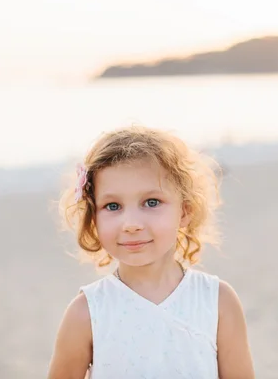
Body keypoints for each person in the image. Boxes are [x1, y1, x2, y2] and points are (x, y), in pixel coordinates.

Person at [48, 125, 254, 379]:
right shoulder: (86, 313)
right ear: (94, 219)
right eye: (113, 206)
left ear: (185, 211)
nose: (131, 223)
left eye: (151, 202)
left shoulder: (218, 301)